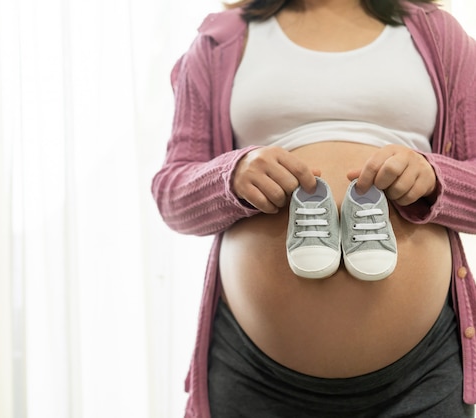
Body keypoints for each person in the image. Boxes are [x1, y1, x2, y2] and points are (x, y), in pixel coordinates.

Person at [151, 0, 476, 416]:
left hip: (420, 378)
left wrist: (434, 178)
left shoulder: (438, 35)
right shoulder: (220, 41)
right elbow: (171, 193)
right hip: (253, 379)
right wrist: (229, 177)